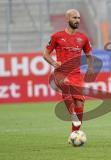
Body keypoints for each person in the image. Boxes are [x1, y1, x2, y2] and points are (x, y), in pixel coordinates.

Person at [42, 9, 94, 143]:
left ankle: (74, 135)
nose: (77, 20)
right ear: (67, 19)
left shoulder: (83, 38)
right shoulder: (56, 36)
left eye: (79, 18)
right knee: (64, 83)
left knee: (80, 104)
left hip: (76, 74)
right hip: (61, 72)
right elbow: (45, 54)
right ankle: (72, 115)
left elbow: (89, 55)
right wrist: (54, 63)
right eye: (74, 18)